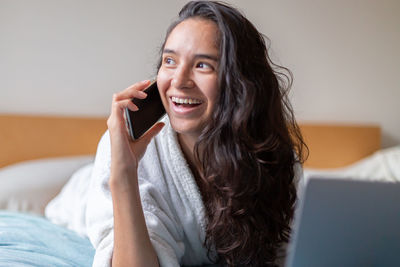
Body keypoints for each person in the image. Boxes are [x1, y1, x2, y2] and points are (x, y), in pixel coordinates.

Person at [45, 1, 307, 266]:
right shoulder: (128, 151)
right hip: (76, 200)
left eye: (203, 65)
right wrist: (123, 173)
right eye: (170, 60)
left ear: (241, 82)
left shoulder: (272, 158)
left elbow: (283, 254)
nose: (179, 81)